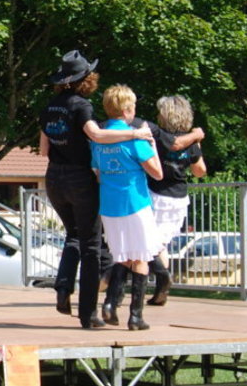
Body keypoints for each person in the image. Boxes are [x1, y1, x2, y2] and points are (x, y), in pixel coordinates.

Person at [39, 51, 152, 330]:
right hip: (79, 178)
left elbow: (43, 149)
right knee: (91, 246)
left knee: (73, 234)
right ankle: (88, 314)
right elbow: (97, 134)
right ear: (85, 79)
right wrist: (135, 133)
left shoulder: (49, 107)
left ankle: (63, 287)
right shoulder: (81, 105)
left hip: (54, 178)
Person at [92, 84, 164, 330]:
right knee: (141, 257)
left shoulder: (100, 138)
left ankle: (110, 304)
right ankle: (136, 316)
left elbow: (97, 172)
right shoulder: (135, 137)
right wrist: (152, 144)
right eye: (133, 107)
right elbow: (157, 173)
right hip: (135, 202)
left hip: (110, 205)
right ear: (126, 111)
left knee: (122, 256)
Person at [143, 96, 208, 307]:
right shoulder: (191, 142)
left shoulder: (160, 138)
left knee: (149, 243)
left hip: (157, 194)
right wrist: (197, 142)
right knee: (161, 244)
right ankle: (161, 287)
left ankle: (161, 279)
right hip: (179, 198)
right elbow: (200, 171)